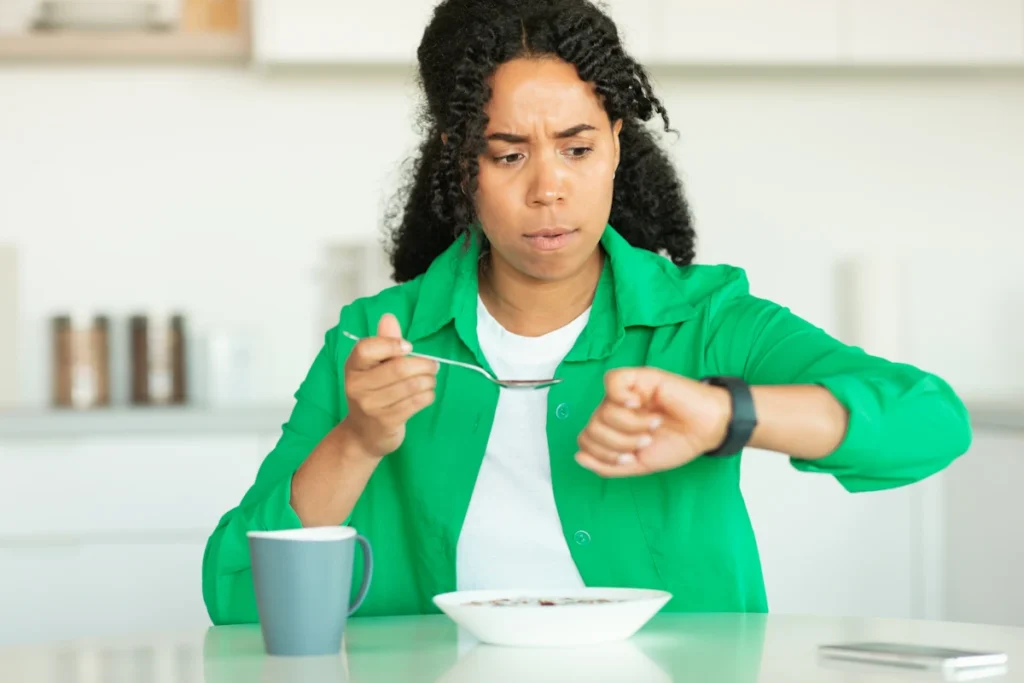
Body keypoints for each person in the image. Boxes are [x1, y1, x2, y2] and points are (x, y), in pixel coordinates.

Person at [202, 0, 972, 624]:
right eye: (508, 154)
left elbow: (931, 420)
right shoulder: (378, 339)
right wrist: (360, 438)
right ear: (460, 162)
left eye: (576, 149)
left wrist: (725, 415)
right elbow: (237, 595)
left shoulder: (702, 319)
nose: (549, 189)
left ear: (616, 145)